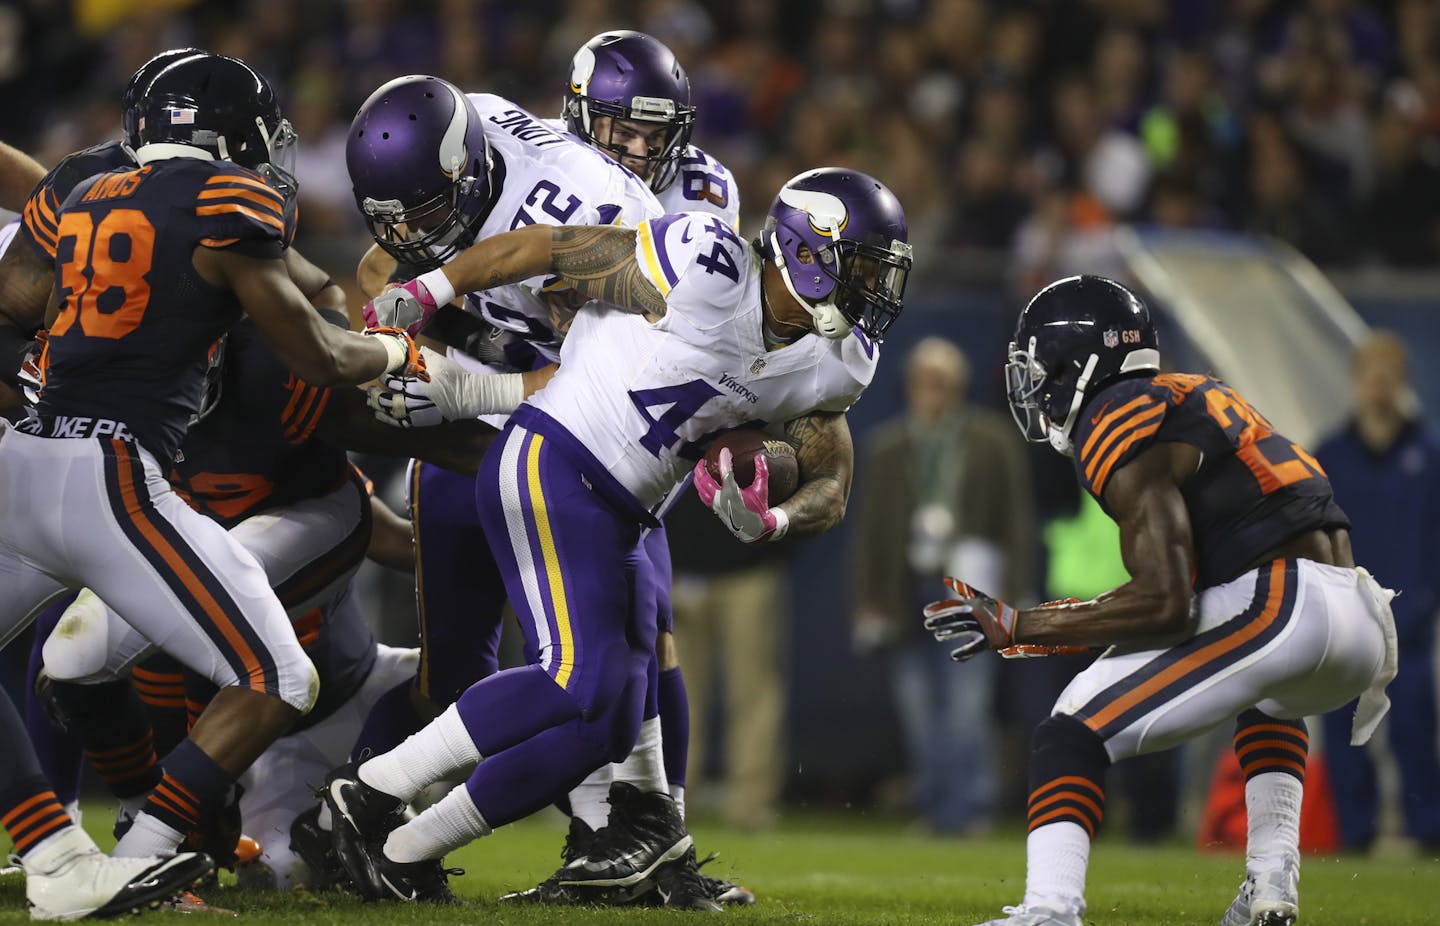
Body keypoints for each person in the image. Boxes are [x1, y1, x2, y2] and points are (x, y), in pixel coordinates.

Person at [323, 166, 911, 903]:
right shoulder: (706, 262)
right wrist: (434, 290)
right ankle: (372, 791)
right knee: (579, 676)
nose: (873, 293)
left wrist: (775, 518)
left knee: (608, 723)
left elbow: (833, 478)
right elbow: (551, 248)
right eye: (861, 270)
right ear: (803, 250)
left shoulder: (840, 359)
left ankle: (407, 850)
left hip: (627, 511)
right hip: (554, 458)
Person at [0, 51, 434, 876]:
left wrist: (481, 407)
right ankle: (115, 838)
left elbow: (325, 345)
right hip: (125, 478)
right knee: (80, 655)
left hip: (280, 563)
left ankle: (142, 839)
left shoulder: (246, 324)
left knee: (245, 675)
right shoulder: (208, 217)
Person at [343, 71, 744, 907]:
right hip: (481, 440)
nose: (632, 145)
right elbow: (379, 265)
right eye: (617, 125)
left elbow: (610, 376)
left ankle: (634, 834)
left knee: (617, 660)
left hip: (579, 431)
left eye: (650, 131)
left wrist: (464, 385)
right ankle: (369, 815)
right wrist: (387, 344)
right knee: (466, 677)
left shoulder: (596, 210)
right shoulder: (463, 136)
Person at [923, 275, 1397, 926]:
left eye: (1041, 369)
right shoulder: (1192, 395)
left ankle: (1050, 909)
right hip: (1359, 617)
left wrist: (1020, 624)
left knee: (1071, 726)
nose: (1036, 387)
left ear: (1079, 364)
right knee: (1267, 698)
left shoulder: (1114, 412)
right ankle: (1269, 889)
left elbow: (1166, 604)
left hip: (1283, 605)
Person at [851, 337, 1033, 835]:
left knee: (967, 706)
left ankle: (970, 808)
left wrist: (1018, 593)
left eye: (941, 384)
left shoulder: (991, 440)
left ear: (958, 387)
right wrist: (868, 601)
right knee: (917, 710)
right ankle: (933, 807)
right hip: (906, 589)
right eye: (922, 382)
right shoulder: (888, 447)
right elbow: (871, 532)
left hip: (971, 587)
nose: (930, 393)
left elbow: (1015, 520)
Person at [1314, 331, 1440, 851]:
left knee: (1412, 728)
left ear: (1402, 384)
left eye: (1389, 378)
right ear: (1358, 383)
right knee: (1343, 731)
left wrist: (1426, 602)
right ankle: (1354, 835)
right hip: (1347, 618)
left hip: (1409, 619)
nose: (1380, 389)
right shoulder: (1330, 455)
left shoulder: (1429, 455)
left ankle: (1428, 833)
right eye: (1372, 377)